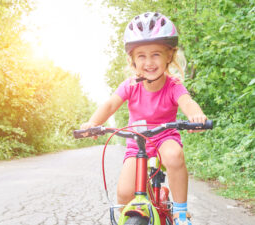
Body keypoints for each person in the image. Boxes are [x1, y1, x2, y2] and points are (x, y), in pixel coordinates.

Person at [81, 12, 207, 225]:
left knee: (174, 155)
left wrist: (197, 115)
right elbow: (111, 104)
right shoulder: (130, 86)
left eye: (156, 54)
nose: (149, 62)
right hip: (137, 142)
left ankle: (180, 212)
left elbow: (187, 102)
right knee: (124, 193)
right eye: (141, 55)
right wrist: (93, 123)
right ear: (132, 60)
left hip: (164, 137)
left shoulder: (173, 85)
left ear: (169, 55)